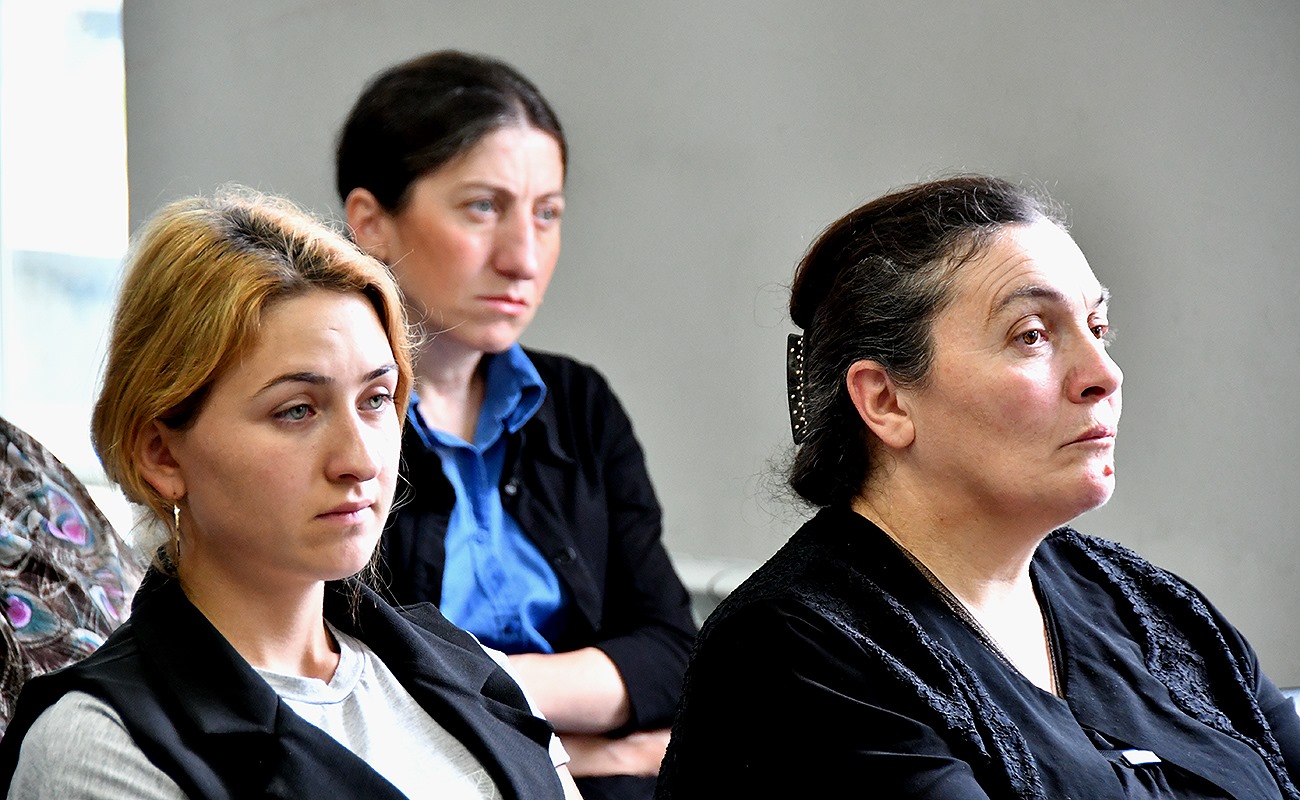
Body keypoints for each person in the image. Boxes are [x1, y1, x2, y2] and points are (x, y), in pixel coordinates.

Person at [657, 175, 1300, 798]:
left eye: (1098, 328)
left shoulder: (1144, 603)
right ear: (885, 401)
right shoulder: (796, 652)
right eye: (1032, 335)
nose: (1104, 373)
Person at [0, 191, 581, 800]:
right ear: (162, 455)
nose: (361, 461)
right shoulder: (102, 747)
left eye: (376, 400)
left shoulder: (479, 672)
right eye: (297, 410)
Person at [336, 51, 696, 799]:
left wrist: (495, 697)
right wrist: (589, 749)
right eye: (482, 207)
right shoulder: (333, 422)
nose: (524, 258)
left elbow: (671, 656)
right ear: (371, 223)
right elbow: (360, 685)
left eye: (547, 213)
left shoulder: (580, 403)